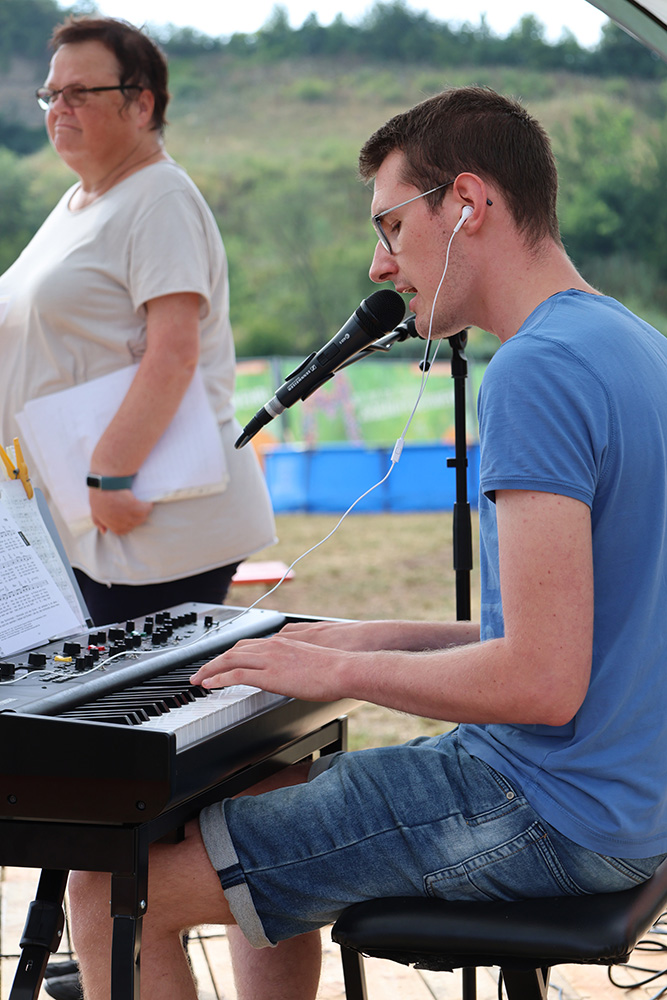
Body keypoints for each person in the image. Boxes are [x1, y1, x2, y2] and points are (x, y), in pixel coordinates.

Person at [68, 86, 667, 1000]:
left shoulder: (536, 372)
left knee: (113, 886)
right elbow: (590, 639)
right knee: (259, 807)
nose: (380, 263)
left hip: (545, 812)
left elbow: (542, 685)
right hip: (624, 804)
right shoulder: (630, 344)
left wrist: (337, 675)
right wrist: (371, 636)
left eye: (390, 226)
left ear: (466, 205)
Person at [0, 16, 276, 626]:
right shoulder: (80, 203)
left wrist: (108, 476)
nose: (58, 108)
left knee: (132, 709)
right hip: (87, 515)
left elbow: (173, 353)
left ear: (140, 102)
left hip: (145, 514)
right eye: (51, 94)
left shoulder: (160, 197)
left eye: (80, 92)